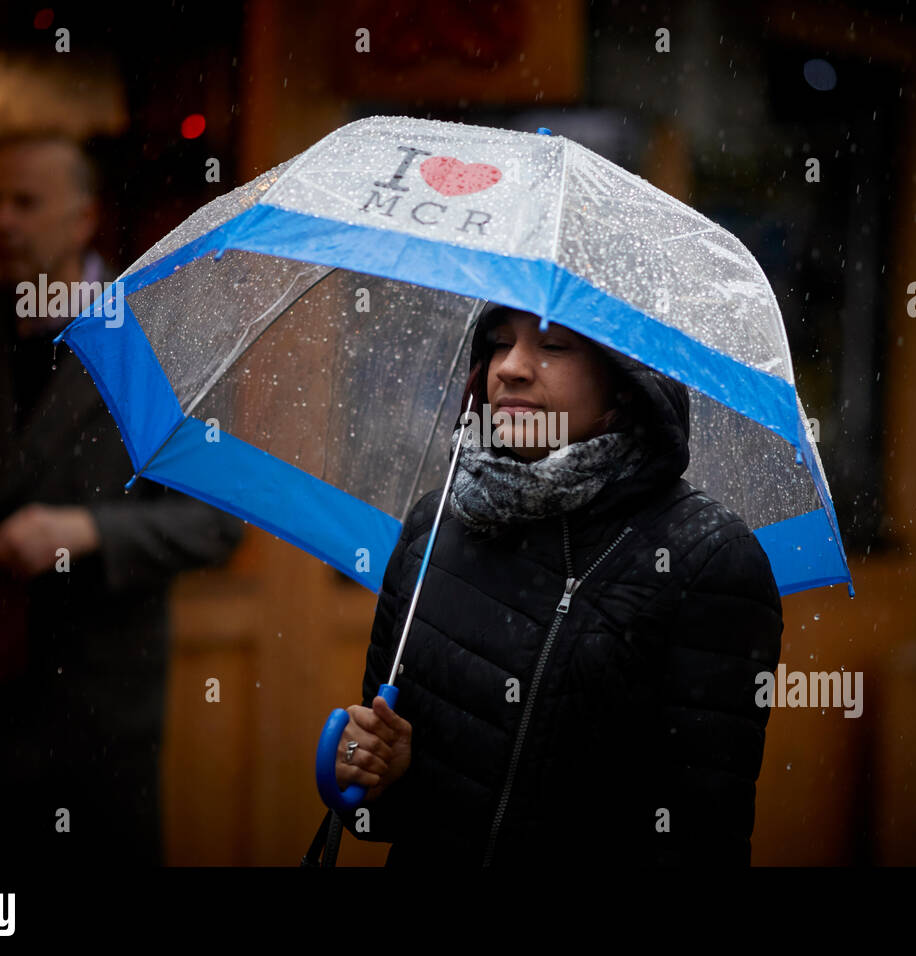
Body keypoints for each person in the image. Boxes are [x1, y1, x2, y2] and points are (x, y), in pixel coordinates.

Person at [0, 131, 245, 866]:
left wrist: (85, 531)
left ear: (83, 219)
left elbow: (215, 523)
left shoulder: (160, 336)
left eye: (25, 202)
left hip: (92, 722)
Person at [335, 301, 784, 867]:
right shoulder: (435, 525)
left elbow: (702, 840)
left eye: (552, 347)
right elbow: (383, 817)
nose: (511, 368)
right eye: (499, 342)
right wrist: (374, 777)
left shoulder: (707, 560)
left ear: (626, 383)